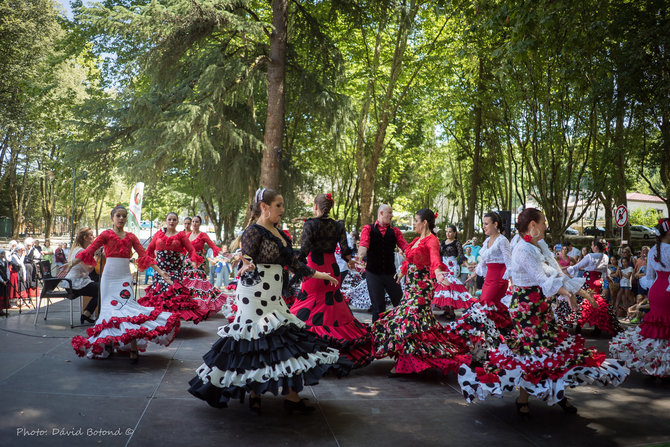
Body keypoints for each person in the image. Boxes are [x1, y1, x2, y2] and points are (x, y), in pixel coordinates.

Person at [458, 208, 628, 416]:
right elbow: (542, 278)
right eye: (543, 221)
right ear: (532, 225)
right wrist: (568, 293)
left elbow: (556, 272)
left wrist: (582, 292)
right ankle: (525, 398)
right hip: (525, 308)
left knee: (549, 349)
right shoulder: (522, 249)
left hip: (539, 305)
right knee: (534, 351)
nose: (546, 226)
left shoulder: (535, 245)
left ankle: (556, 393)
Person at [188, 187, 345, 414]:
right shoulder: (254, 230)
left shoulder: (280, 233)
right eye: (278, 205)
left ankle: (289, 396)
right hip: (254, 293)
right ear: (265, 207)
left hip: (274, 294)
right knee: (255, 341)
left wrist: (322, 275)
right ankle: (255, 392)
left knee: (281, 340)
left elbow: (295, 265)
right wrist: (246, 263)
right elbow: (247, 254)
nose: (282, 210)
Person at [71, 205, 180, 363]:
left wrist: (161, 272)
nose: (121, 218)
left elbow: (145, 256)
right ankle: (108, 344)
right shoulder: (106, 234)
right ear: (112, 217)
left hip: (124, 277)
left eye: (123, 216)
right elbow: (89, 251)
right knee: (109, 310)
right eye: (118, 216)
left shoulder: (131, 237)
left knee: (128, 309)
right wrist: (71, 264)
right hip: (108, 277)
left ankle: (133, 346)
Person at [373, 209, 471, 378]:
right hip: (411, 288)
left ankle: (406, 364)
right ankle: (408, 362)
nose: (414, 224)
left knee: (410, 320)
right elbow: (409, 259)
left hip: (423, 287)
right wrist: (403, 272)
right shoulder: (418, 240)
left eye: (416, 220)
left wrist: (439, 274)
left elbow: (434, 259)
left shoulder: (432, 240)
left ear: (425, 222)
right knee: (412, 323)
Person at [290, 193, 374, 370]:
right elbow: (345, 250)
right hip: (332, 269)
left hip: (314, 269)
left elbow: (304, 251)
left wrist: (290, 259)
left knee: (309, 304)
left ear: (315, 206)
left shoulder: (310, 224)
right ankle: (335, 348)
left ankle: (310, 348)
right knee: (331, 307)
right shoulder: (338, 226)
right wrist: (350, 260)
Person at [610, 218, 670, 378]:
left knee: (657, 327)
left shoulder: (653, 251)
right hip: (668, 290)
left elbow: (649, 276)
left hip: (656, 289)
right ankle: (663, 367)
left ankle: (654, 363)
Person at [138, 213, 213, 324]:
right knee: (160, 296)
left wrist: (193, 261)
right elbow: (148, 252)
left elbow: (191, 250)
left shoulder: (181, 236)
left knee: (172, 295)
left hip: (175, 270)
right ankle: (162, 322)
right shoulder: (158, 234)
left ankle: (171, 322)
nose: (171, 222)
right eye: (169, 219)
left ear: (178, 222)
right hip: (160, 270)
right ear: (165, 221)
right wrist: (155, 267)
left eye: (174, 220)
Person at [358, 204, 408, 322]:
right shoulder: (368, 229)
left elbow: (406, 247)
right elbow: (363, 245)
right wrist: (359, 257)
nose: (392, 215)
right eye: (389, 213)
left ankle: (401, 330)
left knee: (400, 303)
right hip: (373, 273)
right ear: (381, 213)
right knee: (378, 307)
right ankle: (377, 335)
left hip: (391, 273)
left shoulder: (395, 231)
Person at [566, 239, 623, 336]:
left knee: (587, 303)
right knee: (596, 303)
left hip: (590, 281)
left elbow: (578, 266)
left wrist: (566, 270)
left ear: (596, 247)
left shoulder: (590, 256)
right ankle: (597, 329)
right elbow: (605, 271)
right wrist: (607, 278)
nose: (591, 247)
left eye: (592, 245)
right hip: (599, 281)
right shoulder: (605, 256)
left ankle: (578, 328)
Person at [470, 212, 512, 331]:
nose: (484, 226)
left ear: (495, 224)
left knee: (488, 305)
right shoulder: (487, 241)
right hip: (488, 278)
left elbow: (509, 262)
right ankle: (493, 334)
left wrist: (512, 282)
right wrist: (475, 273)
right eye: (483, 223)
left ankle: (498, 332)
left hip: (499, 278)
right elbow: (484, 260)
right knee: (485, 304)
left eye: (486, 223)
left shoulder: (502, 241)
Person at [182, 215, 226, 314]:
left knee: (199, 284)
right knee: (187, 284)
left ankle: (201, 307)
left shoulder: (203, 235)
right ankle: (189, 307)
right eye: (193, 221)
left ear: (200, 224)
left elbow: (213, 246)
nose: (194, 224)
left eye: (196, 222)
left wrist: (222, 253)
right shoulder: (187, 235)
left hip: (198, 263)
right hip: (187, 263)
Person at [61, 227, 101, 324]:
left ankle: (86, 314)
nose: (93, 237)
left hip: (74, 282)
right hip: (75, 283)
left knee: (100, 290)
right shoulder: (81, 251)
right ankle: (87, 314)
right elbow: (89, 268)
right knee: (102, 290)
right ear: (85, 237)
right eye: (91, 235)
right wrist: (97, 255)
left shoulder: (77, 249)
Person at [433, 225, 474, 316]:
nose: (448, 233)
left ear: (455, 233)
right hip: (444, 266)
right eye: (447, 231)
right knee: (444, 286)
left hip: (452, 267)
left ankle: (452, 311)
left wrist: (467, 266)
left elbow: (461, 256)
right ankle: (447, 309)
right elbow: (438, 255)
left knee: (451, 286)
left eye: (450, 231)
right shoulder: (443, 242)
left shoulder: (457, 243)